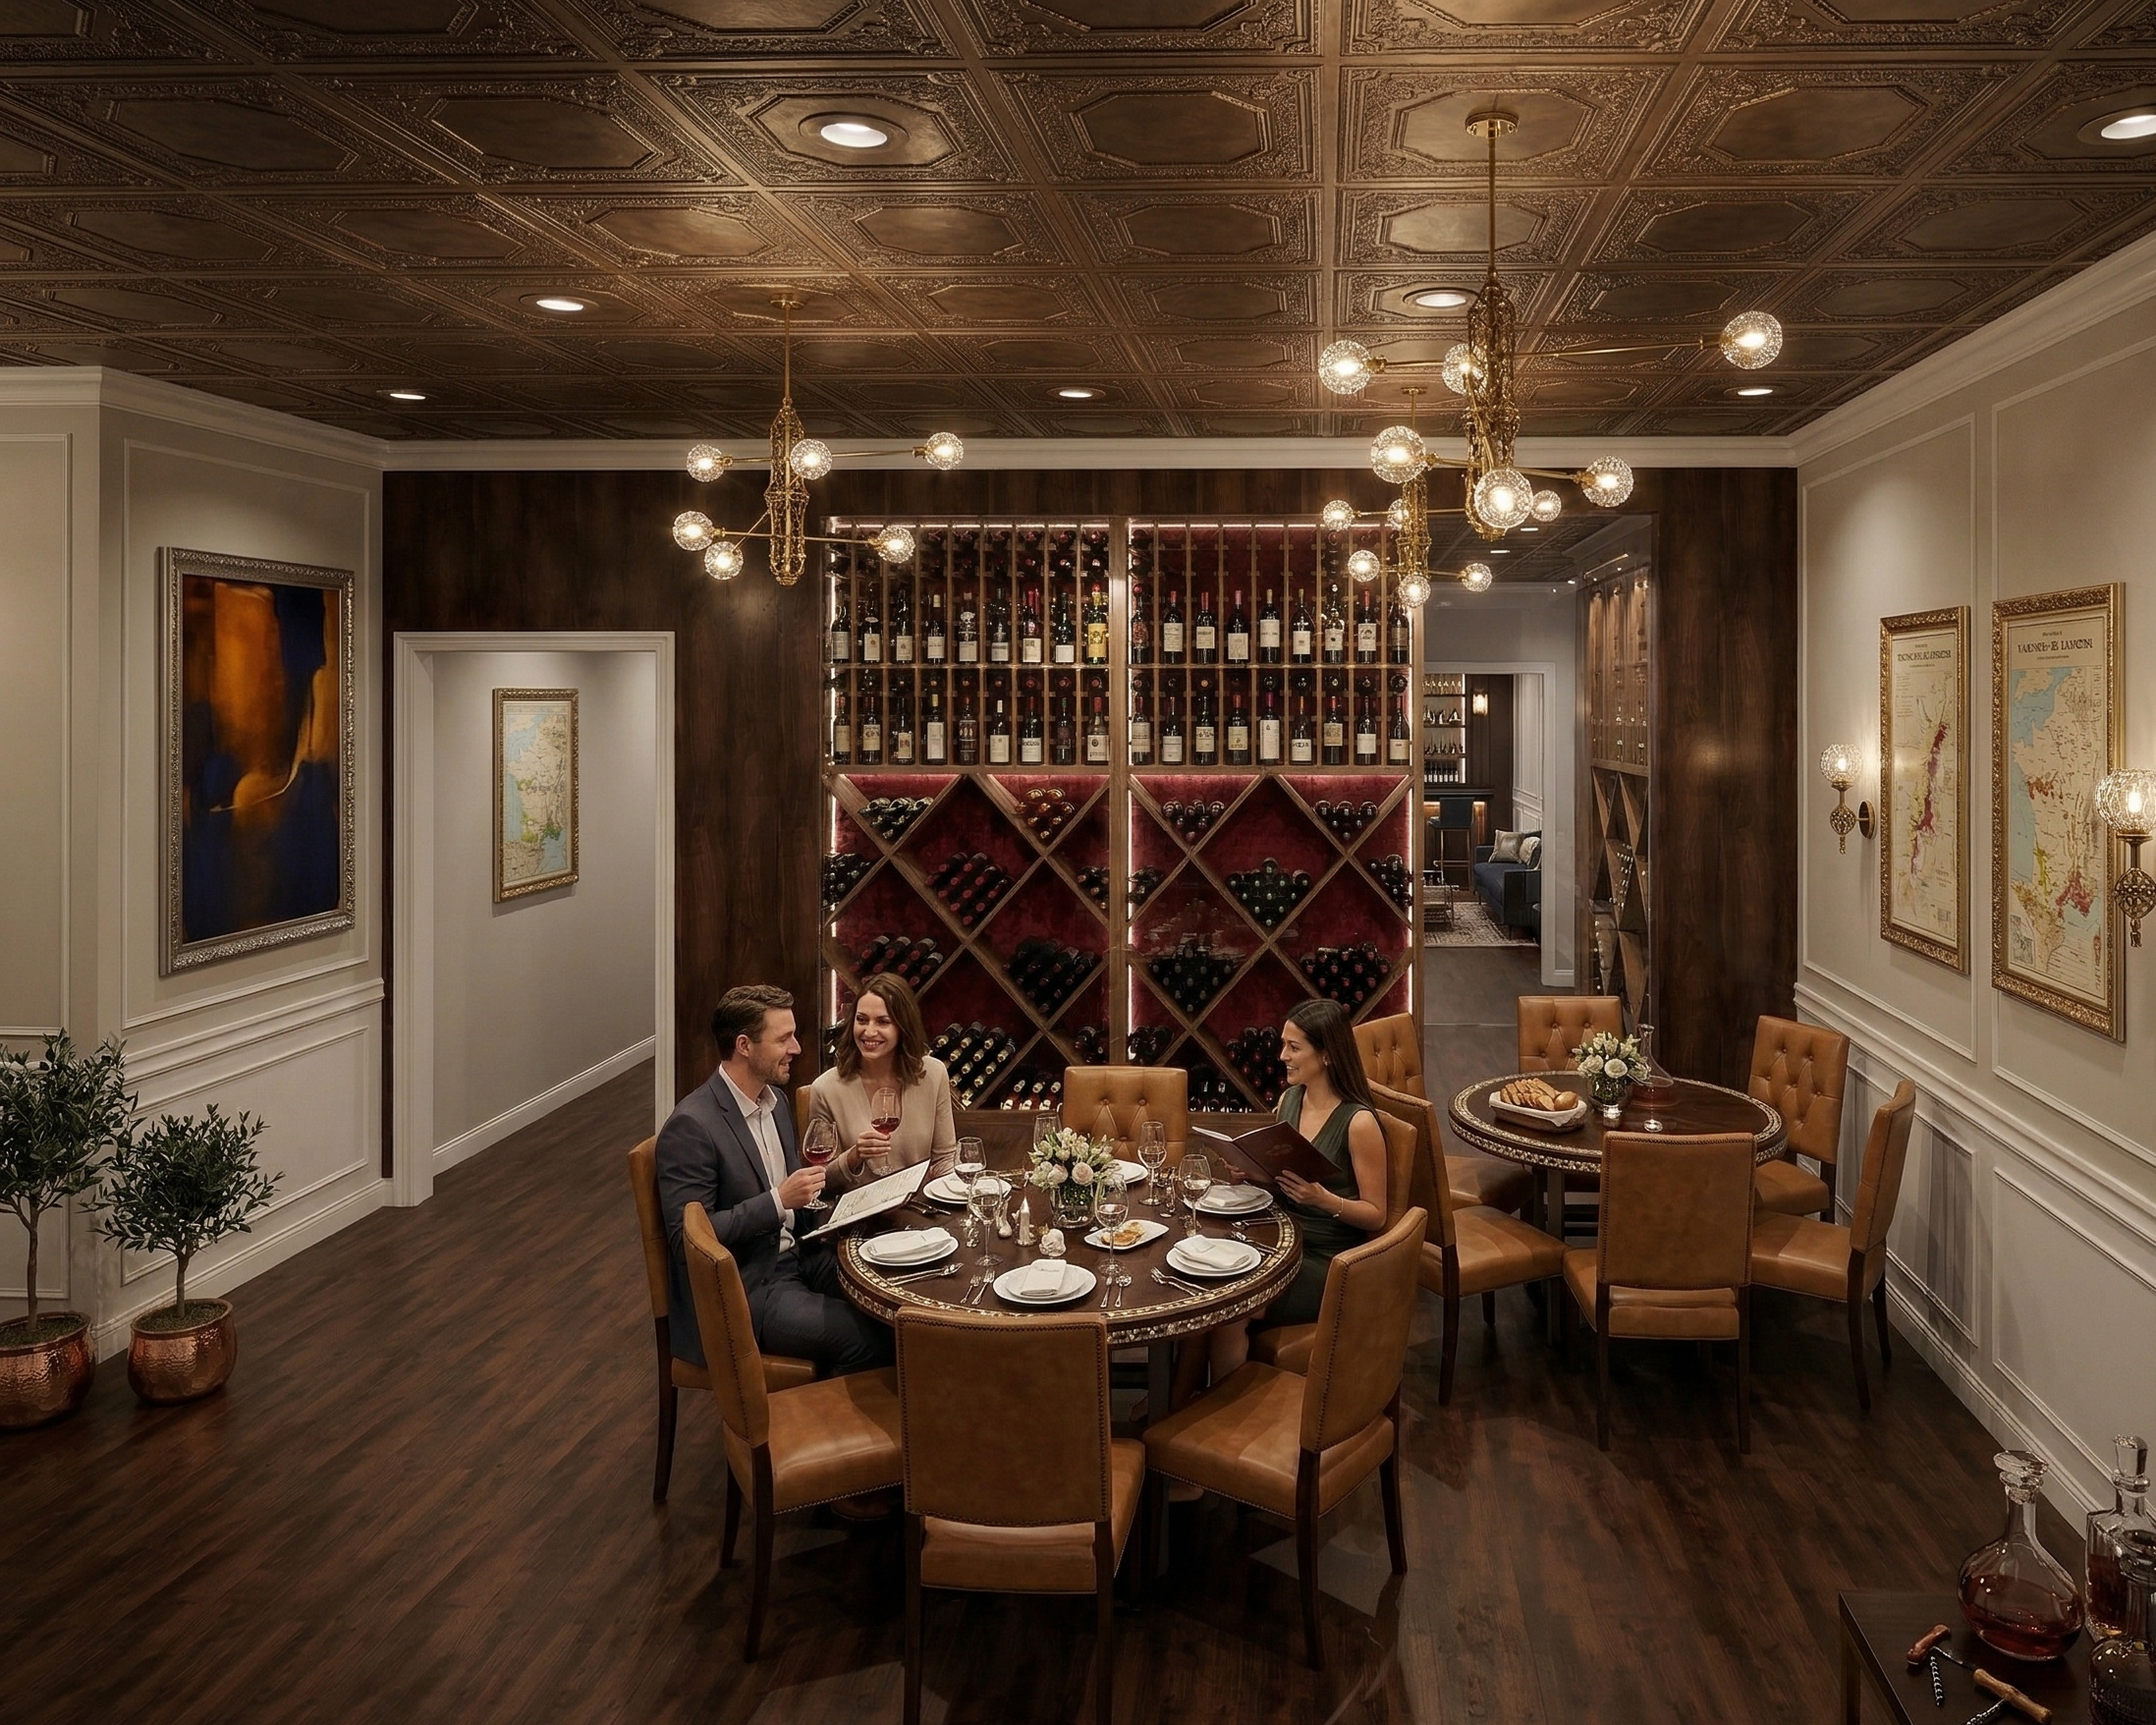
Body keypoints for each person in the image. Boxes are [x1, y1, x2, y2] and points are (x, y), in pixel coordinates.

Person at [655, 983, 890, 1377]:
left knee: (890, 1310)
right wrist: (777, 1201)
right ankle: (813, 1431)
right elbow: (688, 1240)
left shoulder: (775, 1101)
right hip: (750, 1287)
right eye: (784, 1039)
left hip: (800, 1254)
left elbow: (799, 1194)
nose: (796, 1048)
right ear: (744, 1045)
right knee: (869, 1339)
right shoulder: (692, 1126)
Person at [1182, 998, 1391, 1400]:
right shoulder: (1290, 1100)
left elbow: (1377, 1215)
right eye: (1283, 1045)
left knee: (1226, 1313)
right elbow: (1280, 1178)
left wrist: (1325, 1199)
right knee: (1202, 1290)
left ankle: (1229, 1422)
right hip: (1278, 1240)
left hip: (1326, 1261)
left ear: (1327, 1055)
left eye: (1294, 1048)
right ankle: (1176, 1407)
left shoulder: (1359, 1122)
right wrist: (1252, 1171)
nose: (1282, 1057)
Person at [808, 973, 957, 1193]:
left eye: (883, 1022)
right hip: (859, 1216)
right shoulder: (825, 1088)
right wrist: (854, 1156)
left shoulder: (933, 1074)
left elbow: (945, 1160)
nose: (869, 1031)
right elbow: (820, 1183)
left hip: (919, 1209)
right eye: (861, 1020)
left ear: (902, 1027)